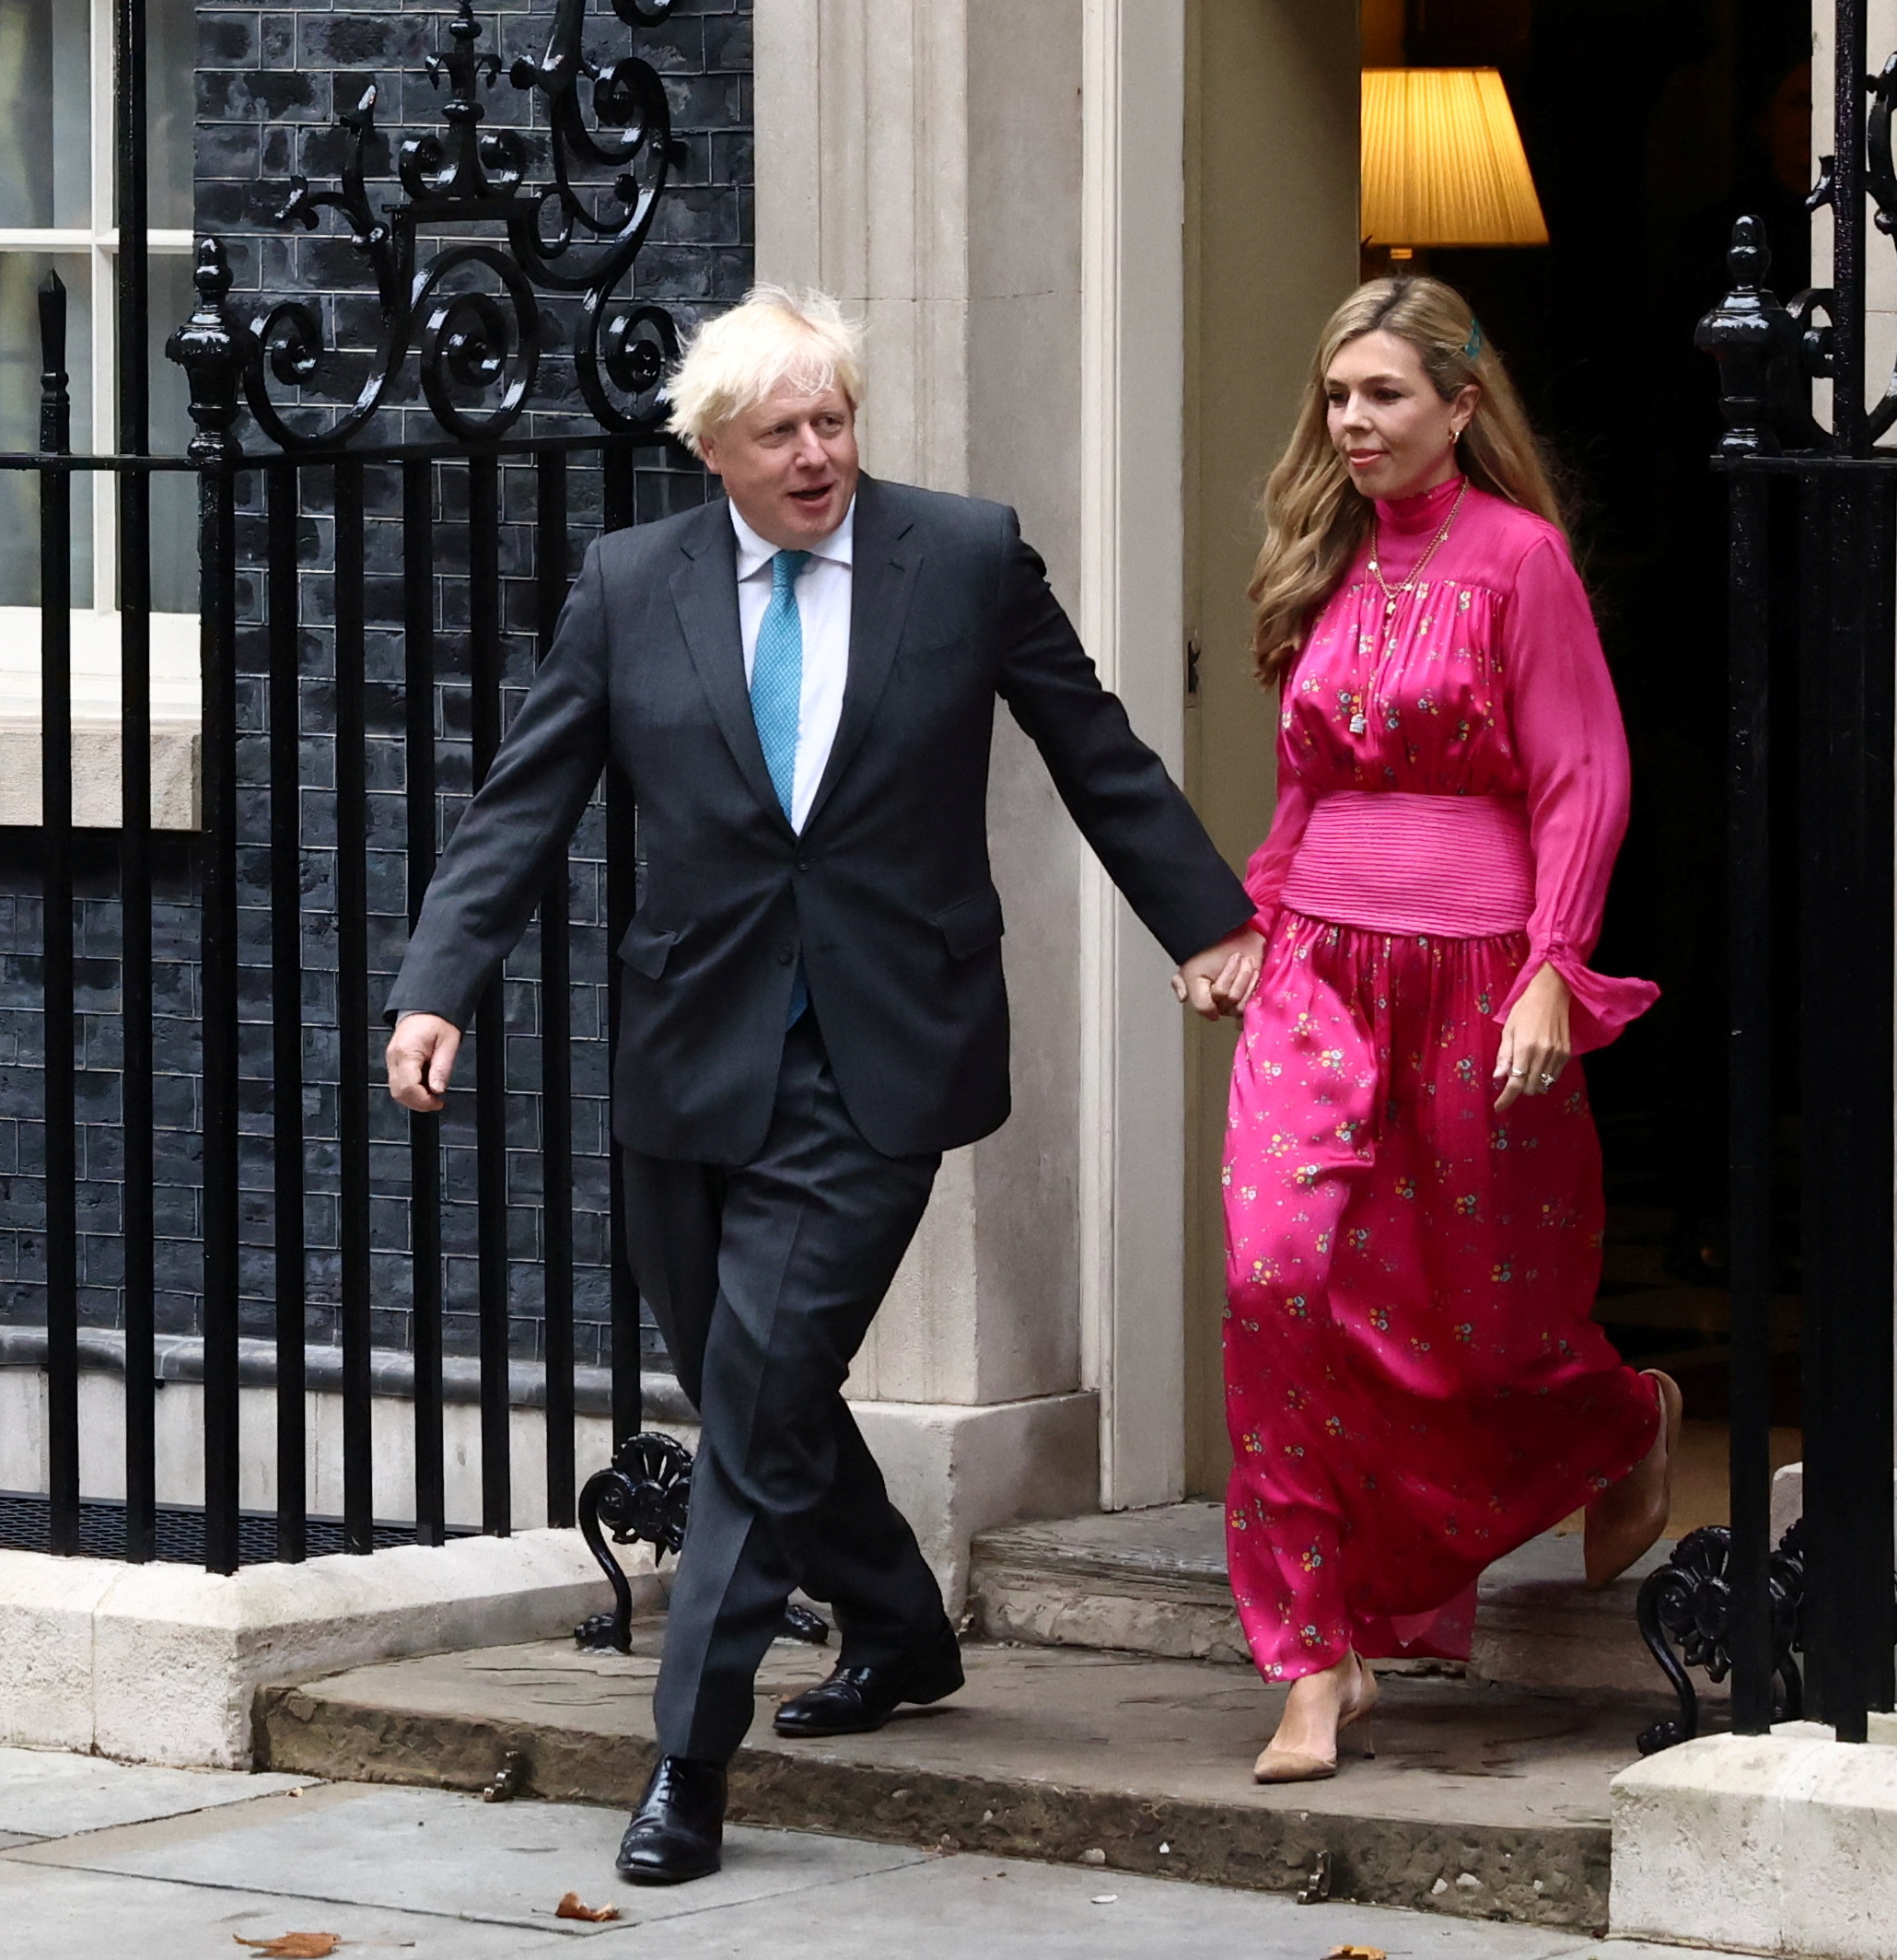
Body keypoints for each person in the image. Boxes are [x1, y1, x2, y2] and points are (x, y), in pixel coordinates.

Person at [382, 287, 1260, 1883]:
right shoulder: (630, 583)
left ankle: (687, 1758)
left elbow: (1095, 748)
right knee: (746, 1381)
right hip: (691, 1050)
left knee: (760, 1386)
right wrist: (439, 983)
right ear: (711, 448)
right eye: (781, 430)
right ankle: (902, 1626)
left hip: (882, 1050)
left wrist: (1206, 927)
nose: (817, 454)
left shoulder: (965, 556)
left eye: (834, 419)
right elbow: (528, 798)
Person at [1200, 276, 1677, 1785]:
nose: (1352, 421)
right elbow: (1300, 788)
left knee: (1467, 1328)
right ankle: (1312, 1653)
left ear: (1459, 407)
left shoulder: (1519, 561)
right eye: (1337, 396)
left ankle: (1619, 1418)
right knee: (1277, 1279)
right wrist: (1254, 927)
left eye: (1384, 395)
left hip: (1476, 976)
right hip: (1317, 977)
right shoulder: (1324, 558)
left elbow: (1580, 774)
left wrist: (1553, 966)